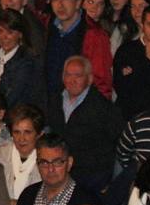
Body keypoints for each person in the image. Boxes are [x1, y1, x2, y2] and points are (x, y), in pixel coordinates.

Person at [47, 55, 124, 193]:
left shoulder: (104, 108)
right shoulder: (54, 100)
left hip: (90, 179)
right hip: (57, 174)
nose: (72, 80)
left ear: (89, 79)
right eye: (68, 75)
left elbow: (115, 144)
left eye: (78, 75)